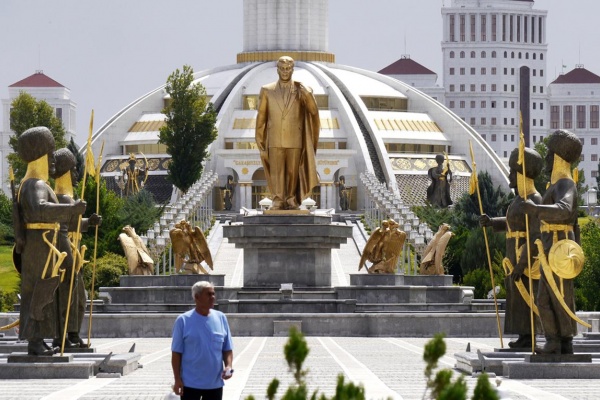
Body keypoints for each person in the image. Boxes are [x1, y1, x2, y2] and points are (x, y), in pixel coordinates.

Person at [16, 127, 87, 356]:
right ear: (40, 154)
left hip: (43, 243)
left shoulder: (37, 183)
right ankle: (35, 341)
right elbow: (39, 209)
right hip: (40, 244)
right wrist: (70, 209)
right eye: (50, 152)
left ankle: (38, 340)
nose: (53, 158)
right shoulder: (35, 184)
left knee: (43, 291)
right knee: (38, 290)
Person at [522, 129, 583, 355]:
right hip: (552, 245)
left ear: (557, 158)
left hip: (559, 247)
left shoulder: (565, 184)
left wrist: (537, 208)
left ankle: (557, 339)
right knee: (552, 295)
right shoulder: (554, 186)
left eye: (549, 154)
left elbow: (565, 210)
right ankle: (560, 340)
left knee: (553, 296)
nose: (546, 158)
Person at [480, 147, 543, 349]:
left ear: (522, 174)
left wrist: (523, 263)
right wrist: (492, 222)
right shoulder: (518, 199)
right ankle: (524, 336)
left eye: (512, 172)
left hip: (525, 259)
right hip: (512, 255)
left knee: (526, 296)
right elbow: (512, 223)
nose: (509, 175)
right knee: (516, 298)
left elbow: (535, 235)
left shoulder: (534, 200)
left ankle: (530, 336)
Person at [51, 148, 102, 348]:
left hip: (74, 254)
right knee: (68, 297)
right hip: (66, 256)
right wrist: (69, 261)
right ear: (64, 172)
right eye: (73, 170)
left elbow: (73, 225)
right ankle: (62, 336)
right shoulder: (62, 199)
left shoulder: (68, 199)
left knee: (80, 298)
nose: (76, 175)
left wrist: (89, 222)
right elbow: (61, 230)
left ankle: (73, 334)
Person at [255, 56, 320, 210]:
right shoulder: (267, 90)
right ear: (277, 69)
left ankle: (291, 199)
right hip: (275, 139)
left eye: (288, 68)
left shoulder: (301, 90)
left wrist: (309, 96)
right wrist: (259, 141)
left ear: (292, 69)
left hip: (295, 139)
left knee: (292, 172)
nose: (285, 72)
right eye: (282, 68)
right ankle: (278, 199)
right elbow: (261, 117)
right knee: (277, 172)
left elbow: (313, 112)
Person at [171, 281, 233, 400]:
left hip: (215, 385)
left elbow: (227, 349)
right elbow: (176, 353)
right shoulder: (183, 320)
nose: (213, 297)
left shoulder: (221, 318)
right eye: (209, 294)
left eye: (213, 294)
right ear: (197, 297)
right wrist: (177, 379)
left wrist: (228, 366)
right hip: (189, 385)